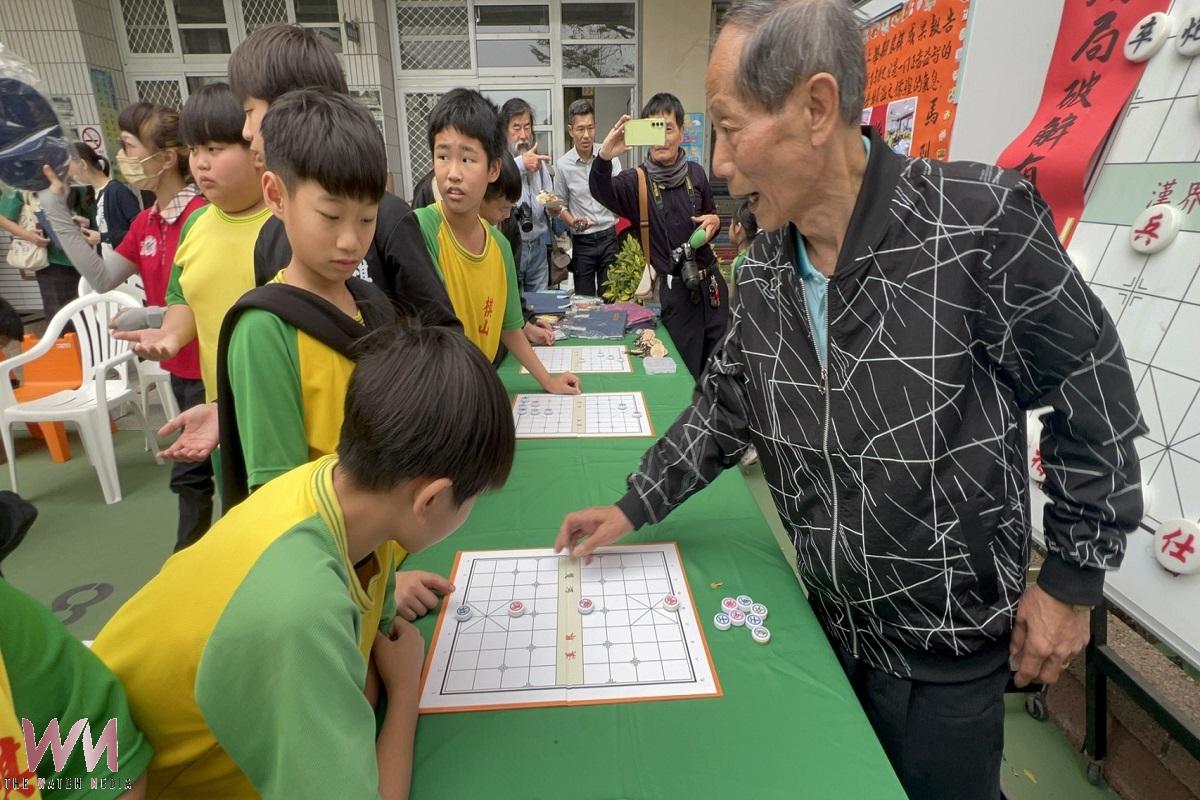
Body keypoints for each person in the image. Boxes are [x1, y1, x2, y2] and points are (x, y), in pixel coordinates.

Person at [555, 2, 1147, 799]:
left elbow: (1096, 396)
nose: (720, 164)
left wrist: (1073, 580)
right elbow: (726, 404)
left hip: (947, 655)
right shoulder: (765, 267)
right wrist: (633, 505)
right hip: (826, 627)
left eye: (730, 130)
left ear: (816, 107)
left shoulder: (975, 226)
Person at [93, 323, 516, 800]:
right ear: (431, 499)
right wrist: (405, 694)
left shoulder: (334, 482)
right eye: (474, 497)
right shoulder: (297, 611)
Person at [38, 102, 213, 550]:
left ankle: (192, 562)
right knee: (192, 476)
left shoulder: (202, 217)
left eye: (131, 146)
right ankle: (192, 562)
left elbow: (208, 299)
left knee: (206, 475)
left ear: (166, 157)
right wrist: (55, 212)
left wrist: (153, 316)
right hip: (181, 368)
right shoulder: (147, 220)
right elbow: (100, 278)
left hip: (213, 367)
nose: (123, 157)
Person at [230, 24, 461, 333]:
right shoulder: (270, 240)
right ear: (275, 197)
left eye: (250, 110)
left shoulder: (388, 218)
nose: (245, 131)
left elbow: (441, 328)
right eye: (330, 215)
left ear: (293, 108)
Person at [113, 84, 270, 430]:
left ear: (256, 150)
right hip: (220, 407)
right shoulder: (197, 222)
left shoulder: (285, 221)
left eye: (215, 148)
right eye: (195, 149)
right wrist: (171, 335)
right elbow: (183, 297)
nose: (200, 162)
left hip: (279, 406)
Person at [414, 89, 579, 395]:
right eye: (442, 156)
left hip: (480, 387)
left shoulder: (500, 246)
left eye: (467, 158)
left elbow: (508, 327)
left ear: (493, 169)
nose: (453, 173)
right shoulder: (420, 230)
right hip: (436, 395)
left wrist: (548, 381)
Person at [590, 93, 727, 382]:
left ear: (680, 133)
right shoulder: (635, 182)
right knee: (685, 373)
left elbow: (712, 215)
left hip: (713, 288)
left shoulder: (697, 174)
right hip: (677, 291)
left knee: (719, 369)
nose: (662, 137)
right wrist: (605, 156)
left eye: (668, 128)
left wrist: (715, 220)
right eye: (654, 128)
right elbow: (600, 190)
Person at [412, 159, 555, 352]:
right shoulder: (426, 222)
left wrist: (526, 324)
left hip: (488, 348)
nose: (506, 215)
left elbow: (508, 301)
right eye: (443, 155)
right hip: (448, 355)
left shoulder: (502, 237)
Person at [552, 99, 622, 298]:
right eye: (580, 129)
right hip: (583, 242)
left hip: (610, 238)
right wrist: (572, 221)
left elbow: (620, 193)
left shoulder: (609, 156)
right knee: (584, 301)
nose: (586, 135)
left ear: (595, 127)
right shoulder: (563, 165)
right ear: (570, 130)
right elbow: (560, 204)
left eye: (590, 128)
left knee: (611, 298)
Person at [0, 188, 81, 323]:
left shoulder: (76, 180)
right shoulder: (22, 184)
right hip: (52, 260)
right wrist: (27, 235)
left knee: (89, 310)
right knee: (61, 315)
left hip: (87, 254)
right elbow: (3, 217)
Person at [500, 98, 553, 292]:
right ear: (504, 131)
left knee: (541, 309)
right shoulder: (497, 162)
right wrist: (521, 164)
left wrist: (554, 207)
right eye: (516, 128)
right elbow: (496, 179)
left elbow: (549, 197)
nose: (523, 135)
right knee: (514, 309)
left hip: (538, 246)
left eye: (527, 127)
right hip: (510, 246)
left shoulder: (539, 163)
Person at [68, 142, 141, 255]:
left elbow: (141, 233)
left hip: (128, 267)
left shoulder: (118, 191)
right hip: (112, 265)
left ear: (83, 164)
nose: (70, 176)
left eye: (71, 172)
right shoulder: (95, 193)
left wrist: (102, 237)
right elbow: (110, 225)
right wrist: (90, 223)